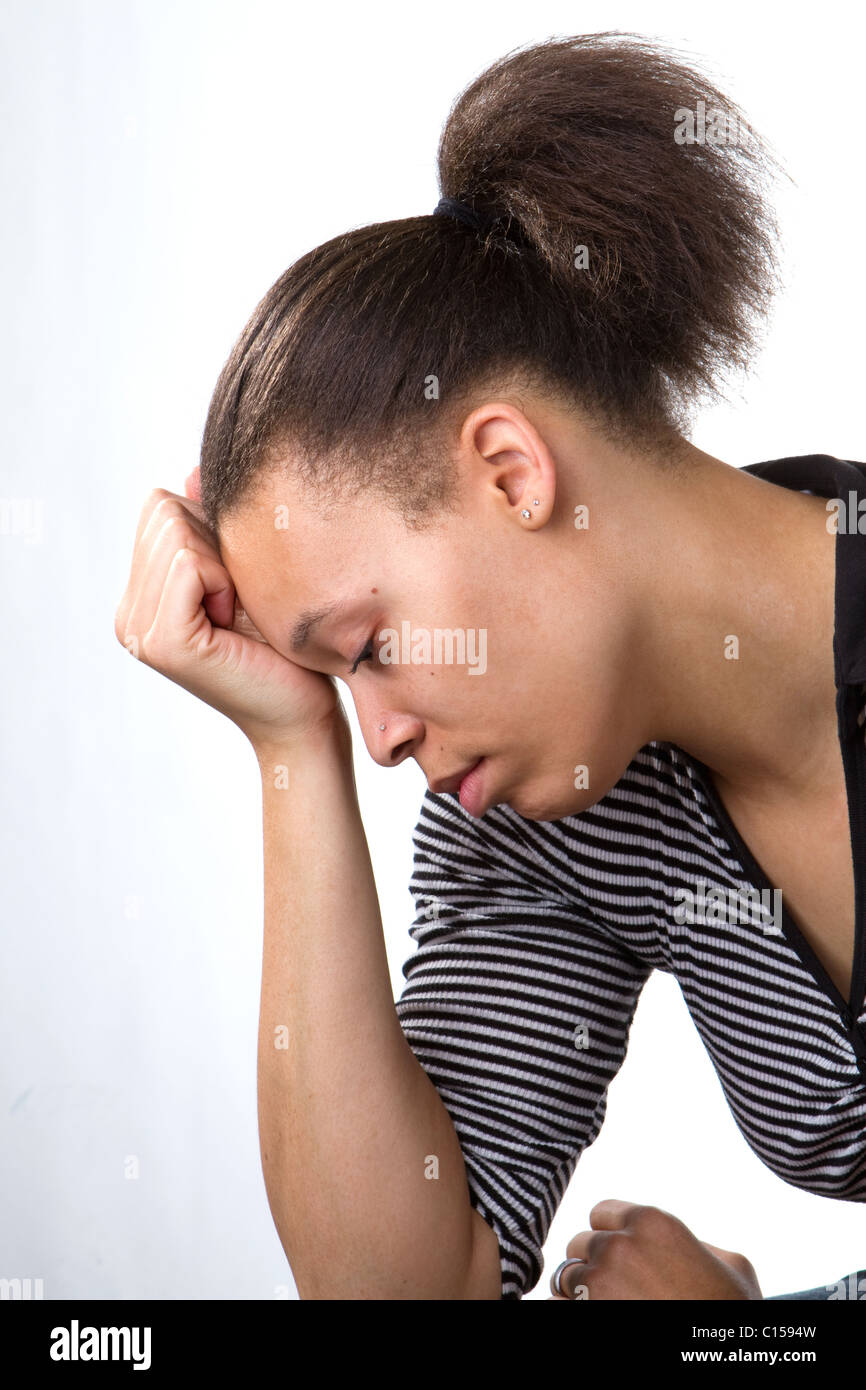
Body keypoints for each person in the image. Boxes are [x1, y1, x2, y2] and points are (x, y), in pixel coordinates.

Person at [114, 32, 866, 1300]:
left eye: (366, 649)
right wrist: (285, 746)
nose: (384, 737)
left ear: (511, 472)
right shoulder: (549, 811)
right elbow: (401, 1291)